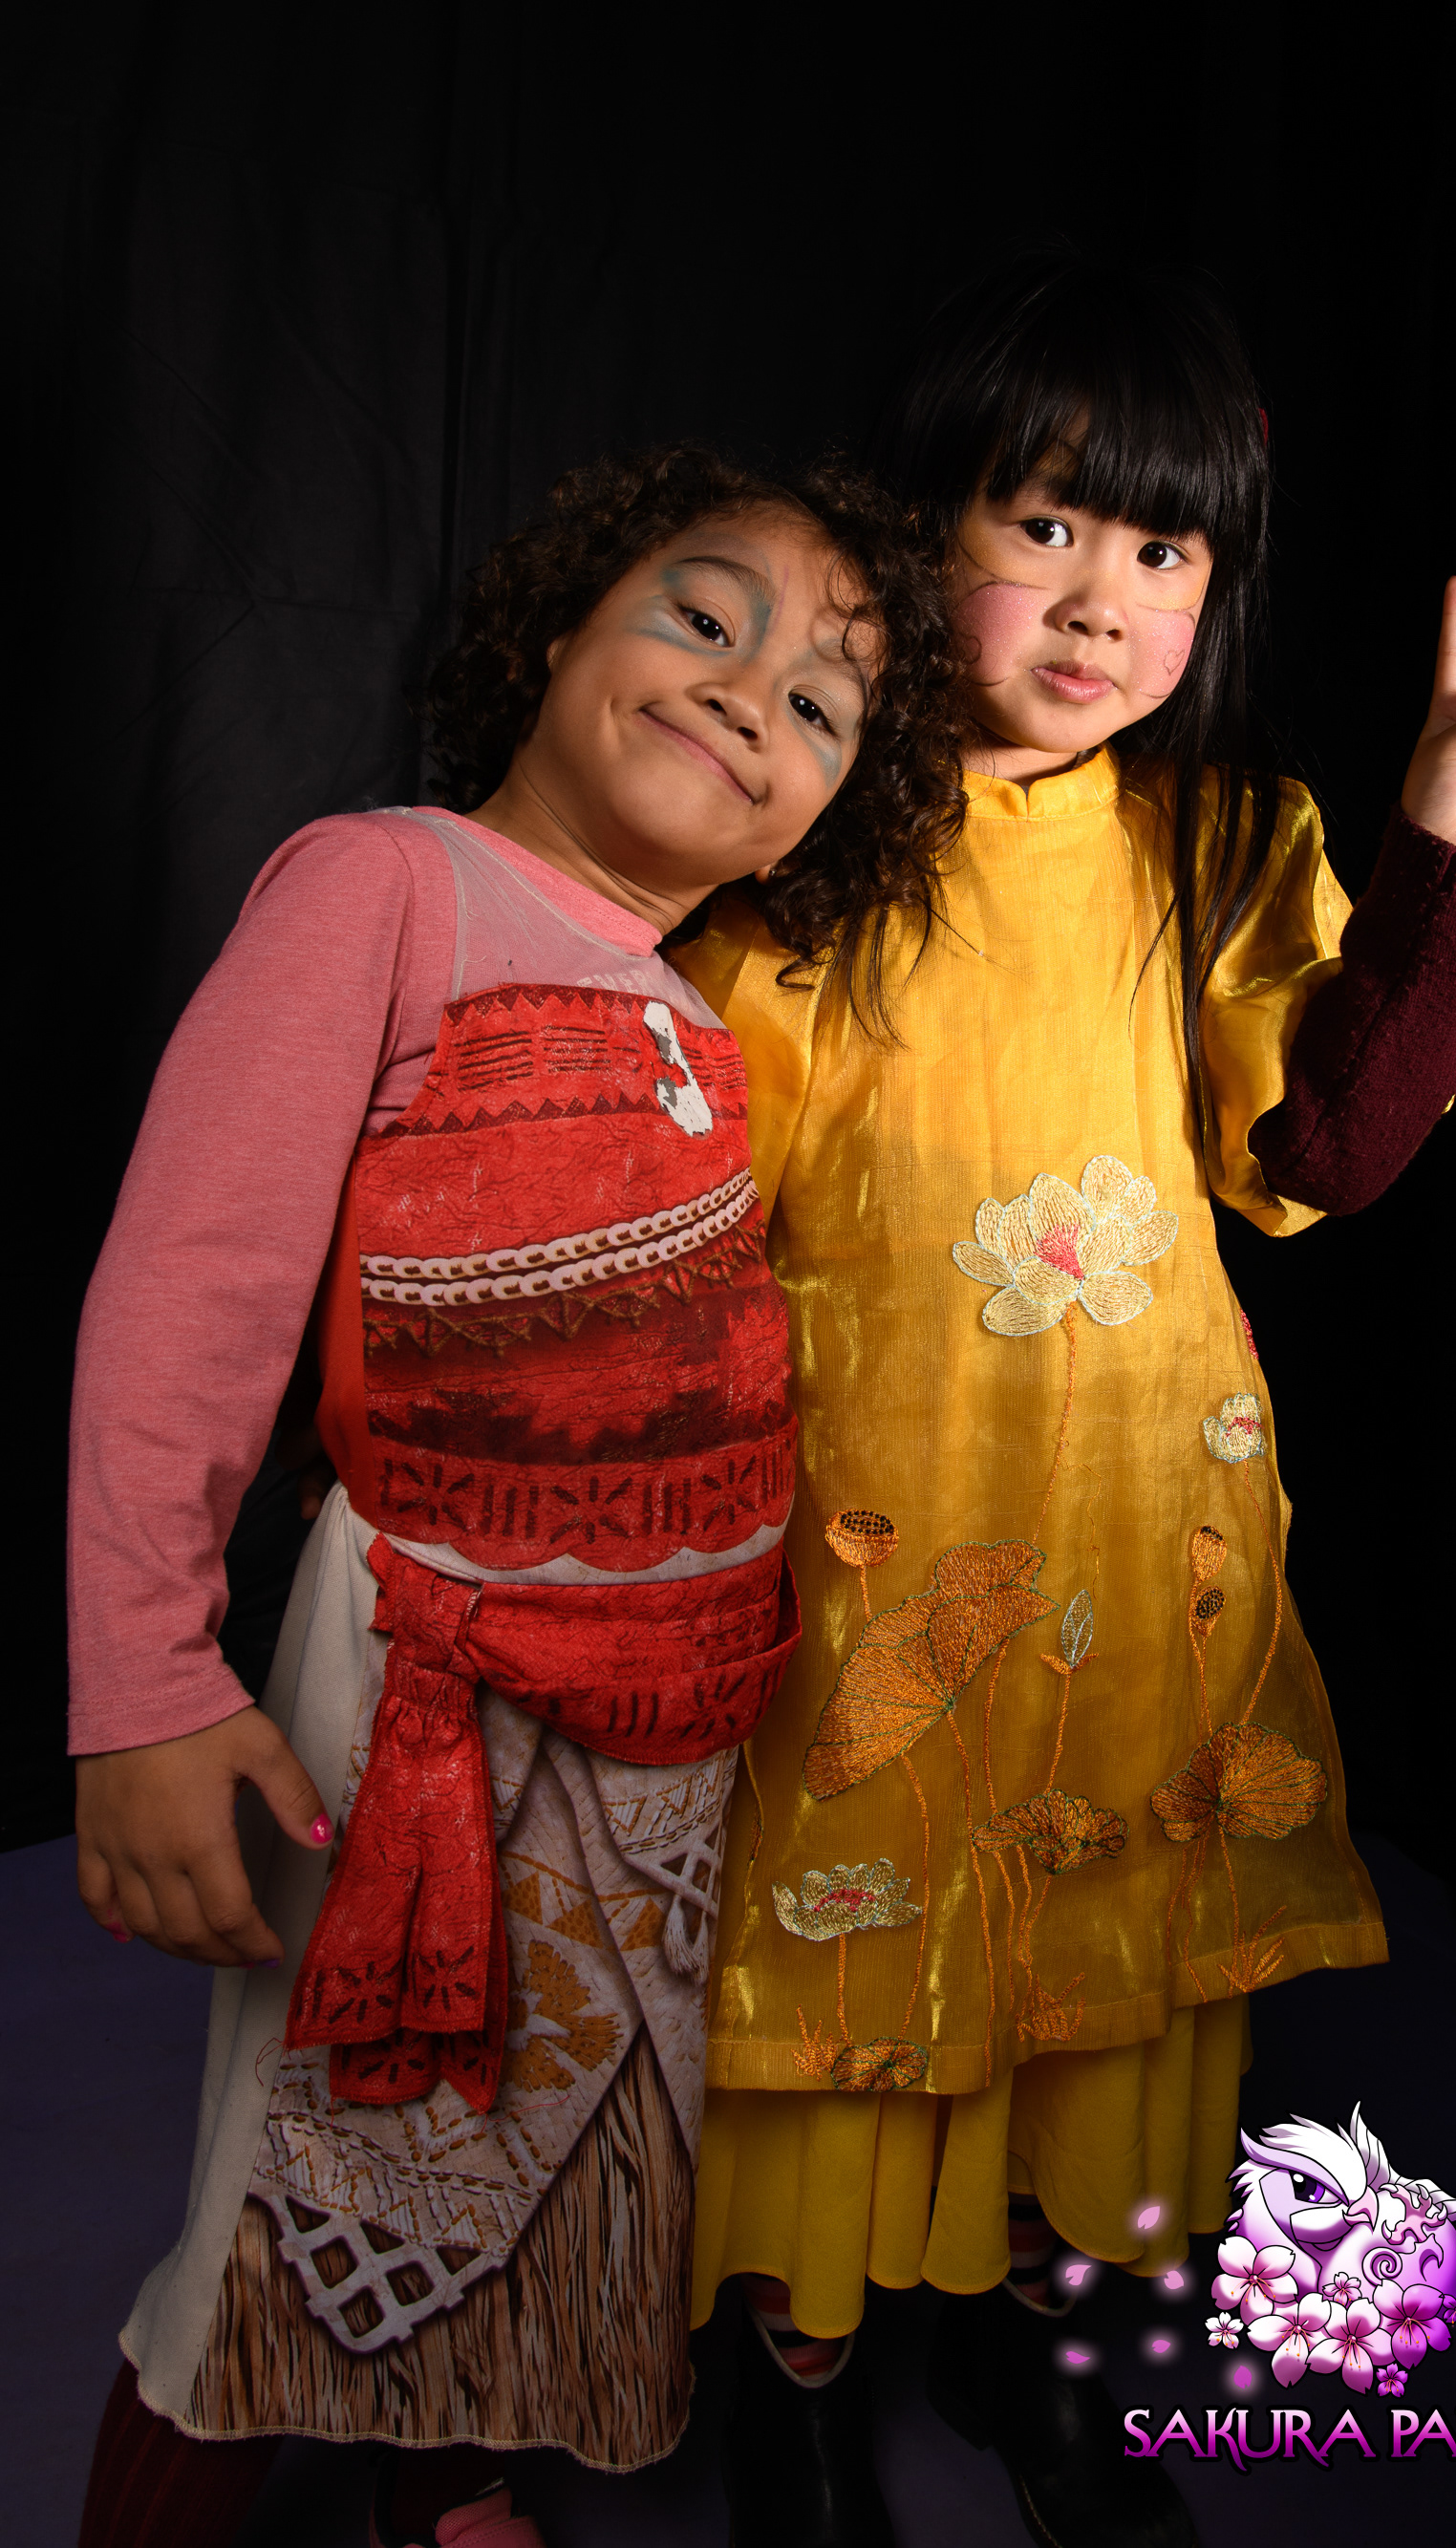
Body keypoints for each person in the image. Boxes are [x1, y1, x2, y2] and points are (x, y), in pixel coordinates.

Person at [669, 250, 1456, 2548]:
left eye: (1164, 548)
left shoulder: (1216, 845)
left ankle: (1048, 2350)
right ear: (918, 530)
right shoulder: (794, 852)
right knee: (843, 1958)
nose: (1103, 598)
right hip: (865, 1567)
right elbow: (677, 1228)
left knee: (1097, 1976)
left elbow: (1330, 1148)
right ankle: (796, 2394)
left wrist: (1442, 870)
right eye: (1048, 523)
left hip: (1132, 1551)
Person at [67, 445, 962, 2548]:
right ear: (554, 633)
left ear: (817, 818)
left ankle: (443, 2463)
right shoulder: (386, 884)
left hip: (649, 1741)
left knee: (527, 2137)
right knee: (308, 2161)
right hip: (422, 1691)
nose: (747, 690)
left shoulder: (694, 1017)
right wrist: (145, 1677)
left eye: (817, 704)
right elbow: (194, 1283)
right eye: (703, 618)